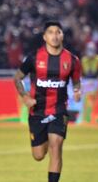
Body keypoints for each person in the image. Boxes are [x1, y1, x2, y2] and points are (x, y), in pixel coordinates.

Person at [13, 21, 81, 182]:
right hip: (37, 111)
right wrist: (24, 96)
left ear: (62, 35)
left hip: (59, 110)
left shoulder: (72, 60)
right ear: (45, 37)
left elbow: (76, 81)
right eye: (51, 32)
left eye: (58, 32)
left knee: (56, 146)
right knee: (38, 155)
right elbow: (17, 78)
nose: (55, 35)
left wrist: (77, 90)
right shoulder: (34, 58)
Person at [79, 41, 98, 123]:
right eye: (89, 49)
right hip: (85, 81)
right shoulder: (83, 59)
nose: (90, 51)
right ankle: (84, 118)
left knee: (93, 101)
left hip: (94, 81)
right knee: (85, 100)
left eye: (92, 49)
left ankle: (93, 118)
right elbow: (82, 72)